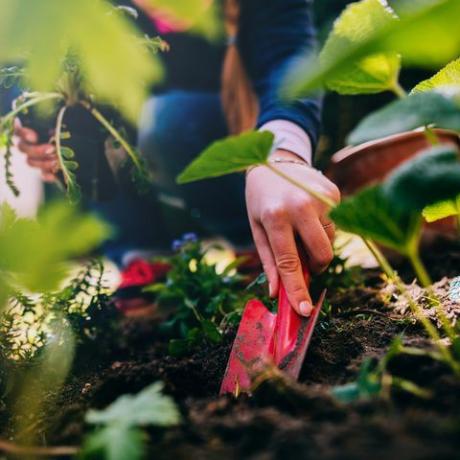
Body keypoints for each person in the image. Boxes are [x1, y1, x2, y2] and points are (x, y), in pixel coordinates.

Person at [14, 0, 340, 317]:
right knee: (88, 124)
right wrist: (42, 130)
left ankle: (257, 244)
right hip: (134, 157)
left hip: (231, 149)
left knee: (170, 119)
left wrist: (281, 158)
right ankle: (143, 257)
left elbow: (289, 60)